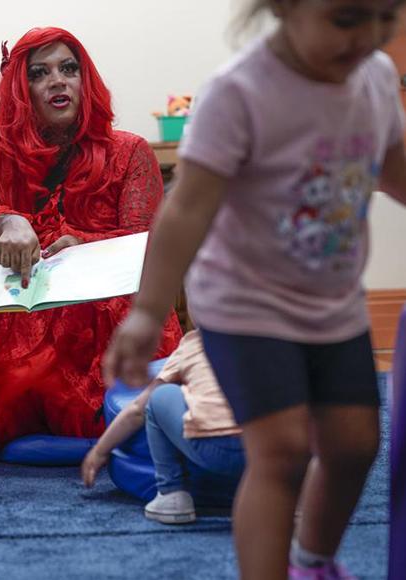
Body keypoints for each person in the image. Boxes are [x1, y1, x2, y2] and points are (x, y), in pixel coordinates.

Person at [103, 1, 406, 578]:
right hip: (245, 307)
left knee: (354, 445)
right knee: (283, 452)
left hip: (333, 305)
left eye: (387, 17)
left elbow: (393, 166)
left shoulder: (375, 76)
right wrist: (146, 312)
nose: (368, 36)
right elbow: (185, 208)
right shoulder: (240, 92)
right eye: (346, 19)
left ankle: (311, 561)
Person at [0, 27, 183, 462]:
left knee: (101, 407)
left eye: (69, 68)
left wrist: (83, 244)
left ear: (84, 79)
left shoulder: (130, 152)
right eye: (40, 73)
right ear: (21, 90)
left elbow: (144, 247)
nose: (58, 80)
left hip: (107, 323)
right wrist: (6, 221)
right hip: (23, 320)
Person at [82, 329, 245, 524]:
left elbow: (136, 410)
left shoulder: (192, 344)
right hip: (262, 452)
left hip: (210, 448)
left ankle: (172, 495)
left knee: (160, 396)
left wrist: (100, 450)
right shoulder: (274, 342)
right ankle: (289, 499)